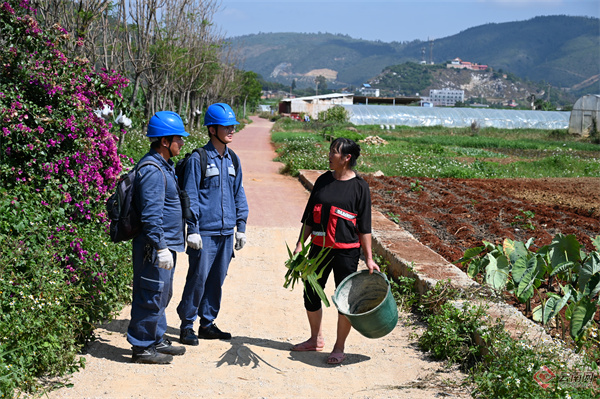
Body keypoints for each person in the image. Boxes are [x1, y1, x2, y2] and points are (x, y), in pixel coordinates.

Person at [291, 137, 379, 365]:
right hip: (318, 249)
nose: (329, 155)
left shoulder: (360, 187)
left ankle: (339, 347)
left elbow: (365, 227)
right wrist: (301, 243)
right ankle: (315, 338)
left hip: (346, 253)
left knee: (344, 301)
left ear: (347, 158)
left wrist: (369, 258)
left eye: (334, 152)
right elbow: (310, 216)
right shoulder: (322, 181)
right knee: (311, 293)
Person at [177, 103, 249, 345]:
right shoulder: (199, 158)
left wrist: (241, 227)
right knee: (197, 279)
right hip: (204, 233)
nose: (231, 130)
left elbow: (239, 193)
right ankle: (187, 324)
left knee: (217, 279)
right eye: (226, 126)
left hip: (226, 232)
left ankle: (207, 323)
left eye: (233, 126)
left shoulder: (233, 160)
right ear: (212, 129)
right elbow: (191, 195)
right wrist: (193, 229)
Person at [127, 111, 188, 364]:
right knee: (150, 292)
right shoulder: (152, 170)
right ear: (165, 141)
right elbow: (151, 216)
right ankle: (142, 347)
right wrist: (160, 246)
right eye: (178, 139)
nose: (182, 143)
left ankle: (156, 338)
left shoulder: (164, 165)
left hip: (164, 245)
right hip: (153, 247)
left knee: (162, 293)